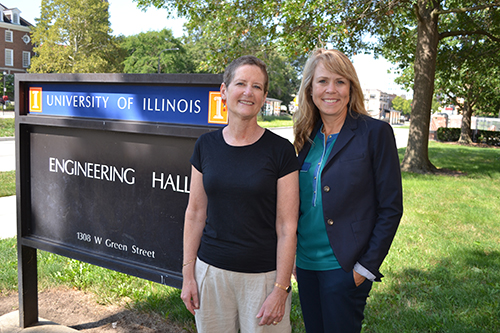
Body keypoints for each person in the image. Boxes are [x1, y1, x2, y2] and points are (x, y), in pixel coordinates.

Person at [181, 55, 299, 333]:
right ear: (224, 91)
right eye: (241, 83)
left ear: (264, 96)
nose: (248, 92)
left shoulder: (280, 151)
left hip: (263, 279)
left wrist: (281, 289)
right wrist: (189, 274)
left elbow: (287, 226)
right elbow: (195, 213)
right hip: (211, 274)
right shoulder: (205, 146)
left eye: (257, 87)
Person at [293, 48, 403, 332]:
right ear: (310, 89)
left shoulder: (375, 133)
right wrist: (291, 257)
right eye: (322, 81)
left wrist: (364, 268)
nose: (331, 90)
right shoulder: (305, 136)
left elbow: (390, 208)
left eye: (340, 82)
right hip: (305, 265)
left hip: (344, 268)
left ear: (351, 88)